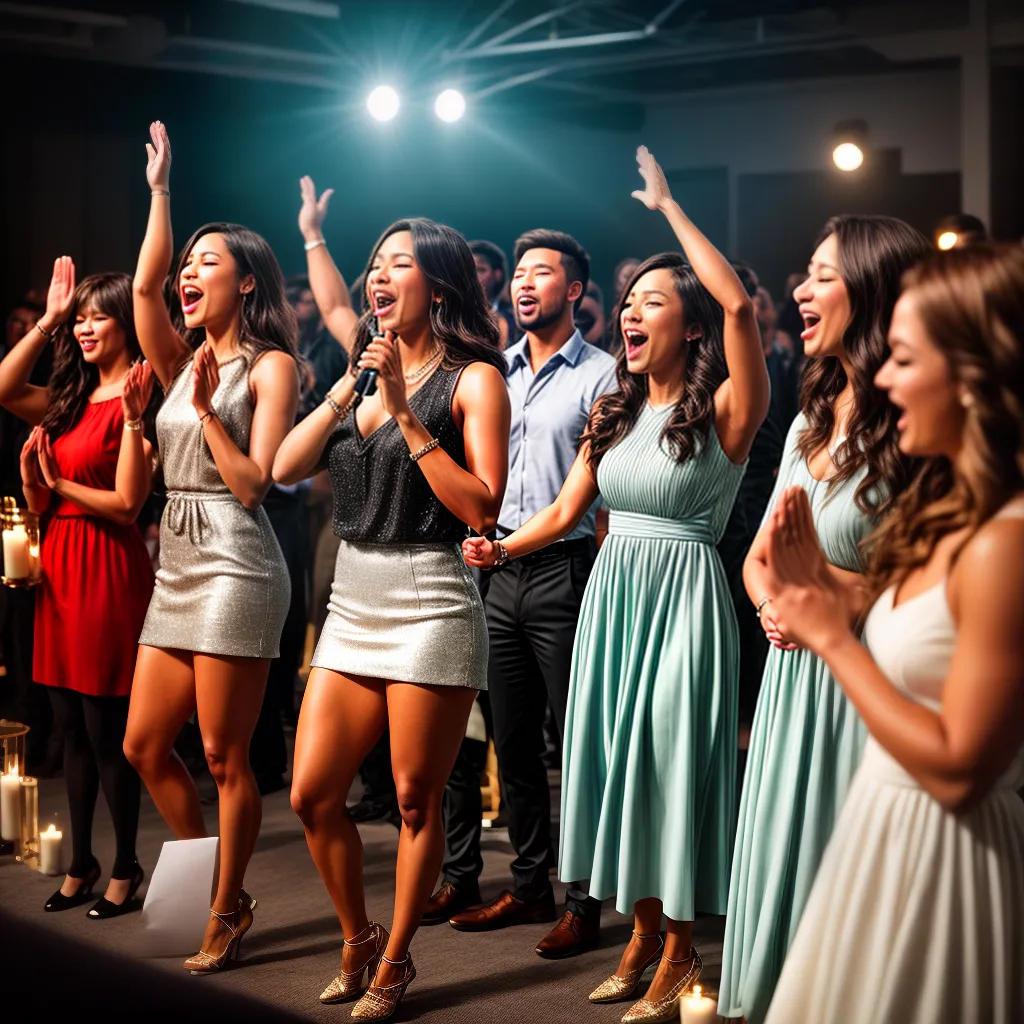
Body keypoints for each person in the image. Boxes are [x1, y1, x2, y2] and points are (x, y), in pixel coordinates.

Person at [466, 145, 769, 1022]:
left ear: (689, 327)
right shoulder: (617, 411)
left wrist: (670, 210)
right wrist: (500, 549)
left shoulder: (721, 415)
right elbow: (563, 514)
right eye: (627, 303)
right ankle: (639, 932)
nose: (631, 315)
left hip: (681, 601)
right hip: (612, 599)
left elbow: (743, 306)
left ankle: (678, 945)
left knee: (672, 769)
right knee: (610, 767)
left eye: (652, 303)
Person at [762, 243, 1024, 1024]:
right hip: (884, 829)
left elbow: (959, 771)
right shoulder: (952, 516)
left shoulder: (1006, 542)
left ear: (975, 374)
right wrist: (823, 593)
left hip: (946, 854)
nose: (881, 378)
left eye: (905, 359)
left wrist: (833, 635)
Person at [274, 216, 509, 1021]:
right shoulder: (360, 376)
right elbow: (282, 467)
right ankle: (357, 937)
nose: (378, 276)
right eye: (374, 265)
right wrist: (352, 385)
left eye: (396, 264)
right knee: (311, 795)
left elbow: (482, 507)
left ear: (436, 283)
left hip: (433, 596)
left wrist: (408, 416)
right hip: (355, 599)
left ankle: (398, 959)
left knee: (415, 799)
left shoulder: (475, 379)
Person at [718, 215, 931, 1024]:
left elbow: (931, 584)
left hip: (867, 684)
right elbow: (759, 553)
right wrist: (774, 603)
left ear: (872, 292)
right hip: (792, 679)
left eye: (819, 277)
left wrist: (823, 600)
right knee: (784, 856)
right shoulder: (813, 414)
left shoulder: (917, 420)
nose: (799, 292)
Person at [121, 122, 300, 974]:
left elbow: (259, 484)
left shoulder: (269, 368)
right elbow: (145, 282)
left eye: (208, 264)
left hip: (238, 558)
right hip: (179, 558)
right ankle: (205, 878)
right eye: (190, 265)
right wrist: (162, 189)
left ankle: (223, 907)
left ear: (248, 281)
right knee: (145, 745)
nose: (189, 276)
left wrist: (202, 413)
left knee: (227, 755)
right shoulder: (177, 351)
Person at [446, 229, 617, 958]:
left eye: (541, 274)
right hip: (494, 570)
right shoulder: (492, 371)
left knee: (574, 744)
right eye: (517, 274)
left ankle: (585, 899)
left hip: (562, 569)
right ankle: (528, 883)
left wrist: (508, 546)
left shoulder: (604, 376)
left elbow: (585, 501)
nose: (522, 284)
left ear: (574, 290)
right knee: (510, 740)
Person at [0, 259, 156, 917]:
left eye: (99, 315)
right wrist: (50, 323)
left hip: (109, 571)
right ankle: (82, 862)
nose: (87, 327)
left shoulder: (137, 395)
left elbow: (125, 504)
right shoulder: (67, 398)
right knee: (67, 730)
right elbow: (5, 387)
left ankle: (125, 864)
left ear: (127, 322)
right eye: (81, 317)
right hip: (60, 569)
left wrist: (58, 486)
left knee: (106, 730)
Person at [470, 239, 517, 348]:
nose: (470, 276)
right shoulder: (445, 315)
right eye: (464, 270)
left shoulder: (516, 318)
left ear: (497, 275)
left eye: (479, 270)